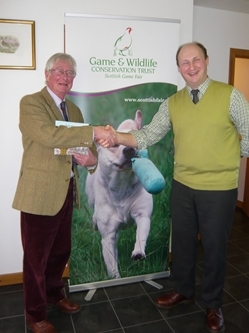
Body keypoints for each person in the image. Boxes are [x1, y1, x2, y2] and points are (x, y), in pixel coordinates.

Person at [102, 42, 249, 333]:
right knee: (181, 243)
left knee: (215, 248)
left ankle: (213, 303)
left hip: (219, 189)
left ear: (207, 61)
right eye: (184, 62)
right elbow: (146, 136)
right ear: (179, 67)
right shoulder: (173, 102)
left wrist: (229, 157)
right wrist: (116, 136)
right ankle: (183, 289)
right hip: (183, 185)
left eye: (196, 60)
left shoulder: (230, 96)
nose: (191, 66)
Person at [12, 53, 116, 333]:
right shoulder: (31, 103)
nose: (65, 77)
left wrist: (92, 161)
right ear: (47, 74)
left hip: (67, 190)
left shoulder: (75, 110)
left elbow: (88, 150)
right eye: (60, 71)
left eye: (71, 73)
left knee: (60, 251)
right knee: (36, 258)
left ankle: (54, 294)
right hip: (39, 193)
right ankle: (35, 315)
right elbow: (49, 135)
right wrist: (92, 132)